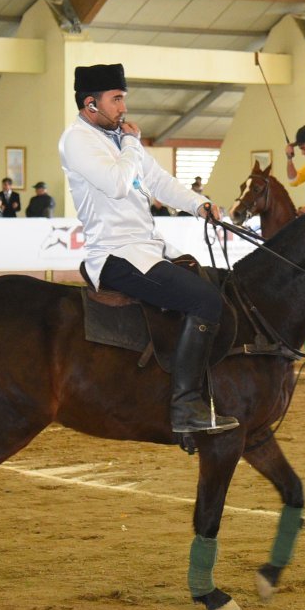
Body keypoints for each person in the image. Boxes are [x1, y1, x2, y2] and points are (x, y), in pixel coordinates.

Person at [59, 63, 236, 436]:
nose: (124, 107)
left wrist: (199, 204)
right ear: (91, 104)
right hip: (115, 256)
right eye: (117, 99)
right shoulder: (78, 140)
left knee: (217, 286)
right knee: (205, 301)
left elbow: (160, 181)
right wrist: (132, 144)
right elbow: (119, 183)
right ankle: (185, 406)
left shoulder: (118, 140)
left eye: (124, 98)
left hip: (148, 249)